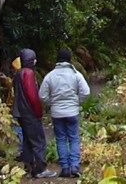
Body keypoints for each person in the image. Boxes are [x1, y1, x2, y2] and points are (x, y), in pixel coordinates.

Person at [39, 47, 91, 178]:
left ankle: (65, 169)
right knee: (74, 138)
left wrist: (51, 103)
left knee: (61, 140)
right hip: (72, 112)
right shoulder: (76, 74)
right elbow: (86, 92)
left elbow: (42, 95)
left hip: (57, 113)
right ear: (69, 60)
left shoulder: (50, 76)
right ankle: (75, 166)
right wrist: (77, 102)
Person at [12, 48, 57, 178]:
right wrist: (38, 111)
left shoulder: (18, 74)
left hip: (20, 113)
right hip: (29, 113)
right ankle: (40, 169)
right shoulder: (28, 74)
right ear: (31, 60)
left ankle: (28, 167)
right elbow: (32, 95)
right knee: (39, 141)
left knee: (27, 140)